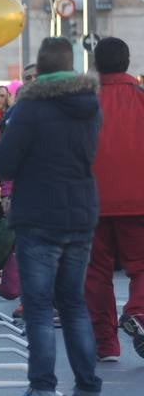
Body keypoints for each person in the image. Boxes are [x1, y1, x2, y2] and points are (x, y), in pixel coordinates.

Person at [0, 36, 103, 396]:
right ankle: (88, 390)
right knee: (72, 302)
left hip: (39, 216)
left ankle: (42, 387)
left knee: (38, 305)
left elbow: (3, 162)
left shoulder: (31, 109)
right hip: (81, 212)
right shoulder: (90, 105)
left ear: (40, 66)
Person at [86, 37, 144, 361]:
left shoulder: (84, 103)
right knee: (141, 265)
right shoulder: (141, 98)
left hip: (91, 200)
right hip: (139, 198)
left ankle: (106, 343)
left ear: (96, 64)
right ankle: (138, 311)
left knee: (96, 272)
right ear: (127, 62)